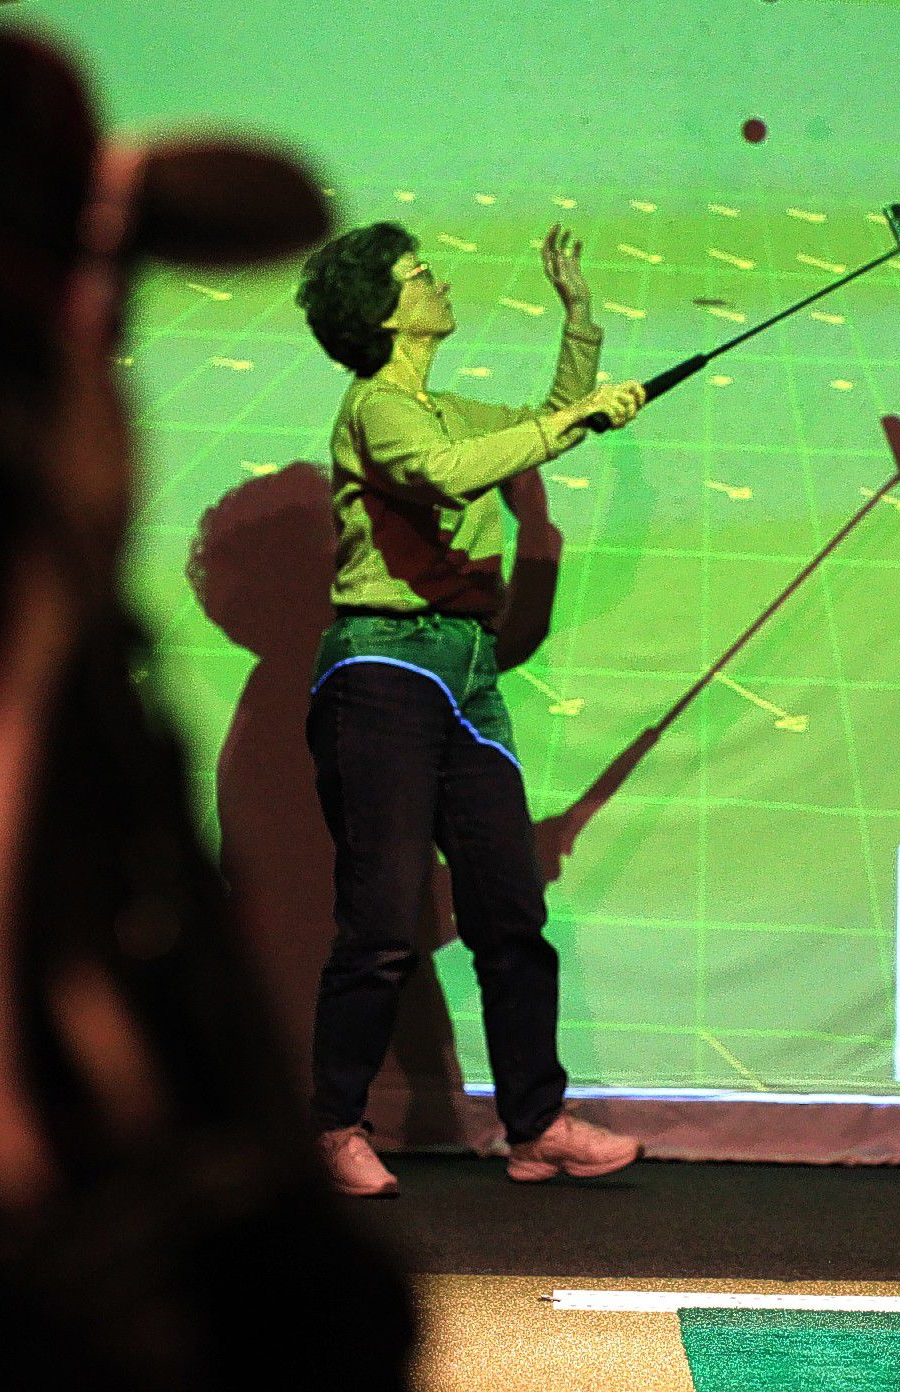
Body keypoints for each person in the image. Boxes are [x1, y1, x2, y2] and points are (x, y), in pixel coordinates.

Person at [293, 220, 645, 1196]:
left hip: (470, 670)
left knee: (510, 909)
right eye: (418, 275)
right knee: (382, 915)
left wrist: (582, 324)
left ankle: (535, 1126)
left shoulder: (449, 405)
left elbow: (545, 420)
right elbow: (448, 476)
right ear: (383, 312)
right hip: (383, 665)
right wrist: (564, 428)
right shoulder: (375, 409)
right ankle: (332, 1128)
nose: (436, 282)